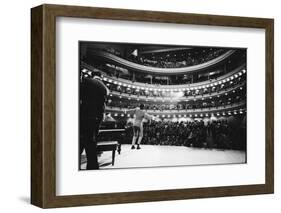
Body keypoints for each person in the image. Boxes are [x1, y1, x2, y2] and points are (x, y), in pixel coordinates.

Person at [79, 71, 109, 170]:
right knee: (91, 140)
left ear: (92, 75)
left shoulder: (87, 81)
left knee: (85, 140)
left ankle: (92, 165)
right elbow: (104, 104)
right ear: (101, 77)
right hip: (98, 117)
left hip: (86, 114)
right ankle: (92, 166)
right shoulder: (104, 87)